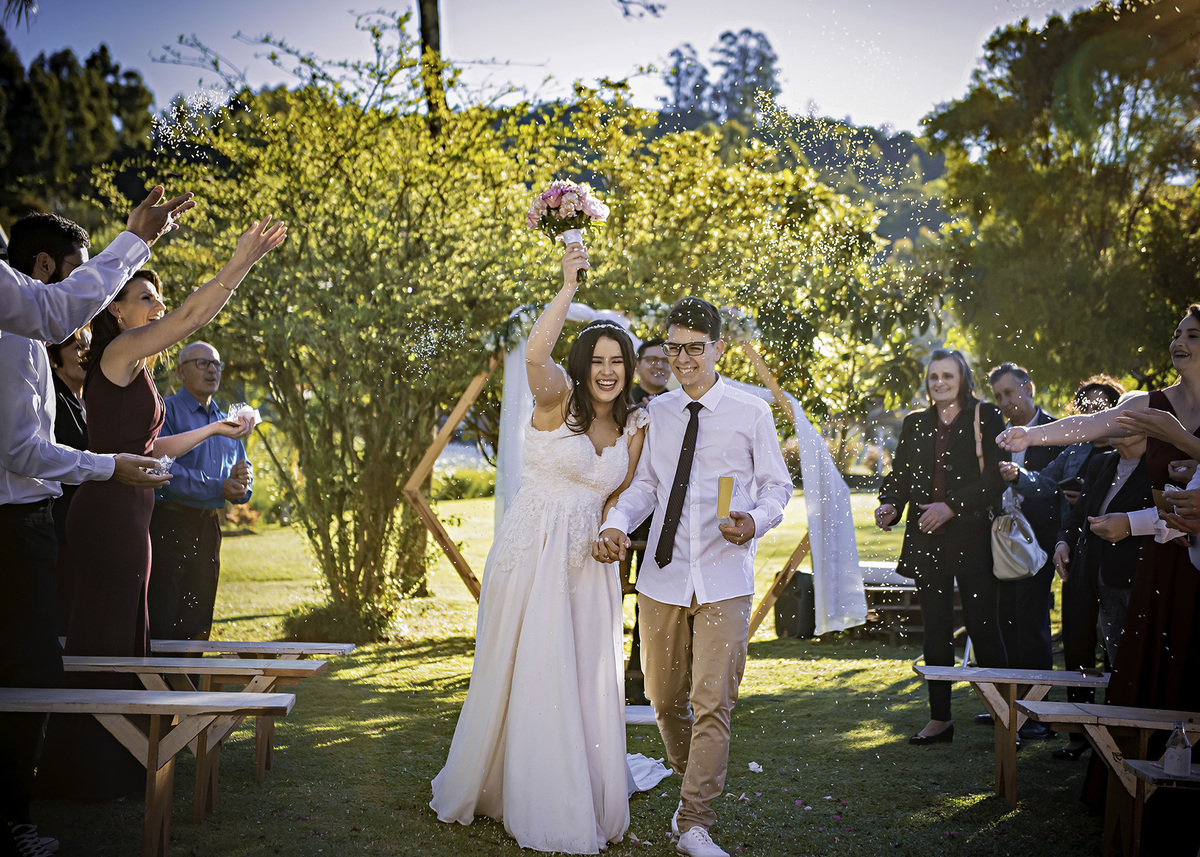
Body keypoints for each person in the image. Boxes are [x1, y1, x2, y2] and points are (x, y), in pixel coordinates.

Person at [38, 217, 286, 803]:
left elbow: (150, 446)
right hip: (108, 515)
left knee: (127, 636)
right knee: (104, 637)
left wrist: (215, 431)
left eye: (158, 297)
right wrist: (240, 262)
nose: (158, 306)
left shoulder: (133, 365)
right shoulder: (118, 351)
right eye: (145, 298)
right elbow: (191, 319)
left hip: (131, 512)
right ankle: (84, 773)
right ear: (116, 309)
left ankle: (120, 765)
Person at [431, 242, 647, 854]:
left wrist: (611, 532)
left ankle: (577, 781)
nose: (608, 371)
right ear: (582, 365)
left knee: (580, 669)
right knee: (528, 664)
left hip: (588, 562)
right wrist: (568, 289)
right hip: (533, 549)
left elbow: (620, 495)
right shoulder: (557, 399)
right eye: (597, 360)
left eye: (618, 361)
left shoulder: (633, 425)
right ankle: (527, 791)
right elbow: (534, 353)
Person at [0, 213, 175, 857]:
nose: (87, 295)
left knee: (34, 668)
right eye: (77, 272)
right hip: (16, 527)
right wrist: (108, 467)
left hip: (38, 521)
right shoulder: (15, 337)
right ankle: (18, 817)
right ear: (43, 267)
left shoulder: (27, 338)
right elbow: (22, 451)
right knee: (28, 673)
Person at [594, 297, 793, 857]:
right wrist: (615, 523)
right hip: (663, 576)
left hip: (725, 577)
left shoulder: (752, 412)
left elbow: (777, 487)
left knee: (713, 702)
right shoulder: (656, 413)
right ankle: (694, 779)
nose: (682, 359)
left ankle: (693, 821)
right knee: (663, 699)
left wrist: (754, 520)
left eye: (694, 348)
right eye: (674, 348)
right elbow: (647, 487)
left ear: (718, 349)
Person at [997, 306, 1200, 855]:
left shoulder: (1172, 421)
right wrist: (1032, 434)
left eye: (1193, 334)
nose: (1179, 341)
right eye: (1176, 333)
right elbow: (1091, 425)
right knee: (1151, 674)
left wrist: (1180, 438)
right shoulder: (1149, 404)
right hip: (1164, 565)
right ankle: (1143, 791)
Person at [875, 349, 1009, 746]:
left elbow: (995, 479)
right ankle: (940, 719)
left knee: (984, 629)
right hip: (925, 539)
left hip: (973, 538)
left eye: (948, 376)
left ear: (963, 378)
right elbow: (900, 475)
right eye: (934, 377)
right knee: (935, 631)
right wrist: (890, 504)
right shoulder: (915, 422)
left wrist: (951, 507)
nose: (939, 383)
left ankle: (1006, 718)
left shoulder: (986, 416)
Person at [1050, 398, 1151, 760]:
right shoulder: (1101, 462)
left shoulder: (1160, 468)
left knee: (1118, 658)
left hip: (1128, 579)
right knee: (1078, 651)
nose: (1114, 425)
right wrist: (1062, 542)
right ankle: (1078, 735)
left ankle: (1116, 741)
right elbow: (1078, 514)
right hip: (1084, 573)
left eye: (1125, 419)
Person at [149, 341, 252, 642]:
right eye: (203, 363)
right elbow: (162, 470)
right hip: (170, 524)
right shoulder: (165, 412)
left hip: (209, 528)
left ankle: (192, 675)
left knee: (199, 619)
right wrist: (218, 486)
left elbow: (241, 466)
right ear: (181, 371)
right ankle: (156, 675)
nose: (212, 370)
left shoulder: (227, 419)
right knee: (165, 616)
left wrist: (243, 483)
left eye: (217, 364)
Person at [0, 186, 194, 342]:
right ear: (45, 264)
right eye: (78, 272)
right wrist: (137, 239)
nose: (161, 306)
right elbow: (53, 313)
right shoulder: (15, 343)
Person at [987, 363, 1063, 708]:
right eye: (997, 396)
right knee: (1004, 622)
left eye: (1009, 392)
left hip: (1040, 543)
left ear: (1028, 388)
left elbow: (1059, 489)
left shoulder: (1055, 431)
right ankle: (1009, 710)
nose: (1004, 402)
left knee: (1031, 623)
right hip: (1000, 542)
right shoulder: (995, 435)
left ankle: (1037, 711)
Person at [625, 337, 669, 704]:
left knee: (651, 599)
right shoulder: (619, 401)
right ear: (638, 365)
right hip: (622, 511)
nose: (659, 365)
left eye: (664, 360)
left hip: (662, 515)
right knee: (610, 594)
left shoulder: (679, 405)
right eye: (651, 359)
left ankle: (643, 681)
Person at [45, 328, 92, 632]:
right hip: (61, 526)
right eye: (77, 348)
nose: (86, 354)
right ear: (55, 358)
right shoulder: (54, 399)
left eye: (89, 347)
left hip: (89, 526)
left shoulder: (90, 400)